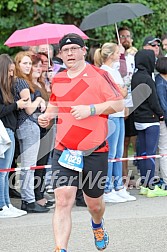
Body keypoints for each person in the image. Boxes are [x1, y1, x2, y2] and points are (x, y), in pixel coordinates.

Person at [38, 33, 124, 252]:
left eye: (74, 49)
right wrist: (47, 116)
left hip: (94, 150)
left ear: (84, 51)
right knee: (63, 200)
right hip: (64, 149)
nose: (70, 53)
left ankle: (97, 224)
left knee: (94, 205)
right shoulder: (58, 78)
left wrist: (91, 109)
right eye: (65, 51)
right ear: (61, 55)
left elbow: (118, 104)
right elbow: (55, 104)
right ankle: (60, 248)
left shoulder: (99, 75)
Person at [94, 42, 136, 203]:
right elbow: (118, 92)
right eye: (117, 52)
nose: (120, 54)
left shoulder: (115, 71)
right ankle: (107, 187)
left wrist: (122, 91)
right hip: (110, 115)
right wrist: (122, 91)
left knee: (118, 153)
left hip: (119, 114)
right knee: (110, 153)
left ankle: (119, 186)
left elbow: (122, 92)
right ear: (110, 54)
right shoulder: (104, 72)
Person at [14, 51, 49, 213]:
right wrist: (40, 100)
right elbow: (29, 109)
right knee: (29, 166)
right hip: (28, 126)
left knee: (29, 166)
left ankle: (29, 199)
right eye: (25, 63)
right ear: (17, 65)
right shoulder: (21, 83)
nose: (28, 66)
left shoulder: (19, 81)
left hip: (25, 126)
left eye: (30, 63)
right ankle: (28, 201)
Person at [131, 49, 166, 197]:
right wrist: (161, 115)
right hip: (151, 120)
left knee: (143, 153)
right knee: (151, 153)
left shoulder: (135, 77)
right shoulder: (147, 78)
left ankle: (145, 183)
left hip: (139, 119)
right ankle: (151, 186)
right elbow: (154, 101)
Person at [0, 54, 28, 218]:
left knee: (6, 170)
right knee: (2, 171)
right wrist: (16, 105)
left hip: (9, 130)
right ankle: (2, 205)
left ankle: (7, 203)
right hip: (4, 132)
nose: (12, 74)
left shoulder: (7, 88)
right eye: (10, 71)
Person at [117, 26, 138, 182]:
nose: (125, 39)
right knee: (122, 141)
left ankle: (138, 173)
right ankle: (123, 175)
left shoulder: (135, 56)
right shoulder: (116, 58)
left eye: (128, 36)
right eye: (122, 36)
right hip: (121, 104)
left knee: (135, 140)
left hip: (135, 102)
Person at [155, 57, 167, 188]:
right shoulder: (160, 83)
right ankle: (165, 179)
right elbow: (164, 106)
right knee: (163, 150)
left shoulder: (162, 80)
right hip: (163, 121)